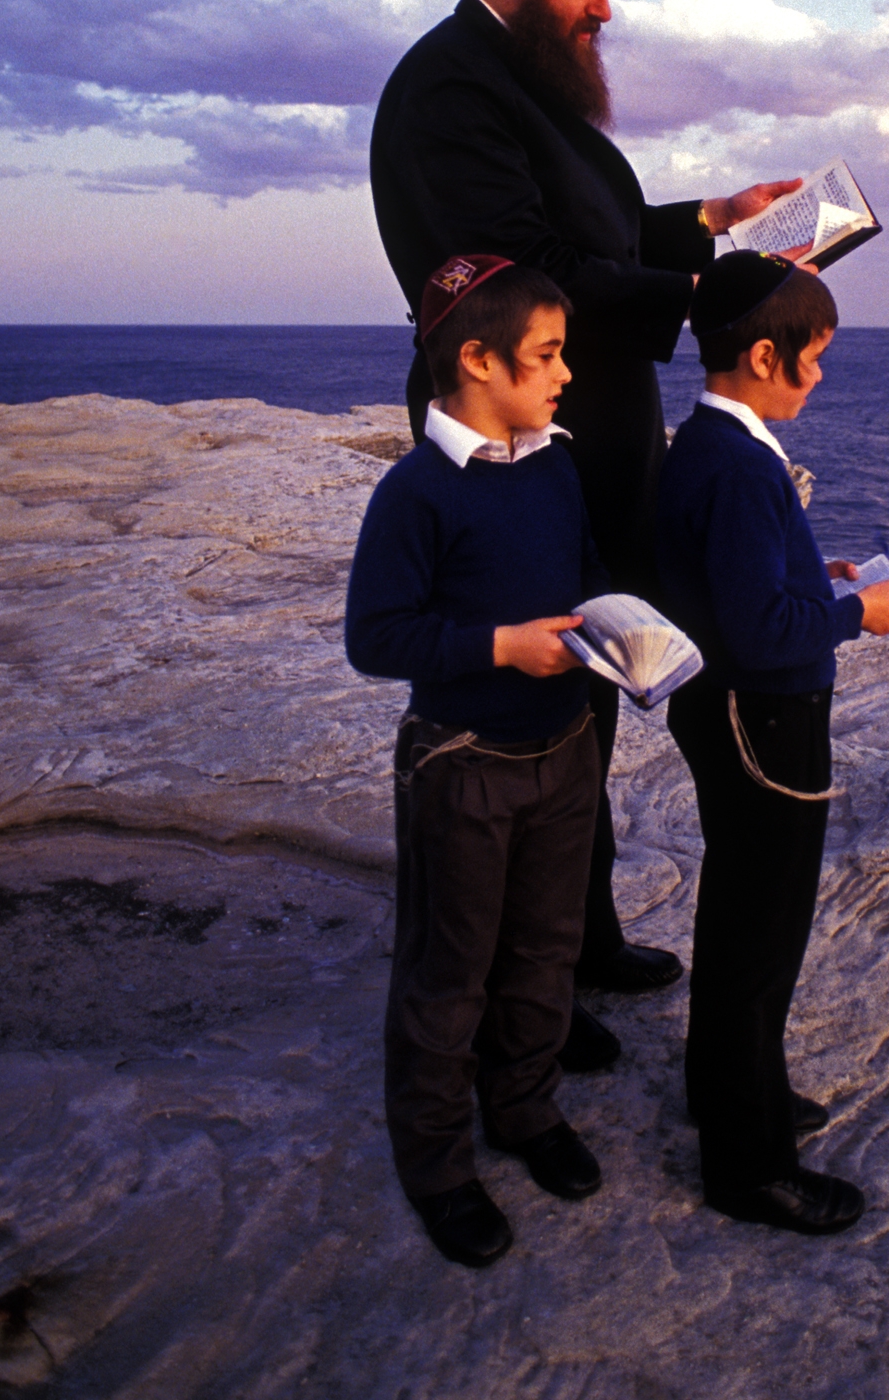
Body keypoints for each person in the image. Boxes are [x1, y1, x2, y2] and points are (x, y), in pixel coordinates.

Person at [369, 0, 800, 1062]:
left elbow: (586, 227)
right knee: (525, 708)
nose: (604, 5)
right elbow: (529, 274)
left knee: (589, 692)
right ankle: (528, 989)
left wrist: (708, 220)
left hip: (583, 435)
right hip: (517, 452)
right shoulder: (453, 92)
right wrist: (722, 287)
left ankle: (577, 935)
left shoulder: (518, 76)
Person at [345, 252, 609, 1269]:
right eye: (545, 355)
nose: (563, 373)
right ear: (475, 359)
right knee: (446, 972)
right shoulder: (415, 494)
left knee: (544, 949)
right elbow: (376, 639)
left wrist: (615, 629)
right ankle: (438, 1164)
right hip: (463, 762)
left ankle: (525, 1111)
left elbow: (580, 572)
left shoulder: (554, 461)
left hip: (566, 747)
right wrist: (499, 645)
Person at [655, 252, 889, 1234]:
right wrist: (859, 617)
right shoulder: (736, 465)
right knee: (758, 938)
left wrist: (822, 575)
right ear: (765, 355)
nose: (821, 375)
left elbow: (746, 586)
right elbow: (759, 631)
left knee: (743, 922)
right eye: (815, 357)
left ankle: (736, 1091)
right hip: (760, 722)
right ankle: (746, 1163)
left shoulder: (718, 450)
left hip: (742, 715)